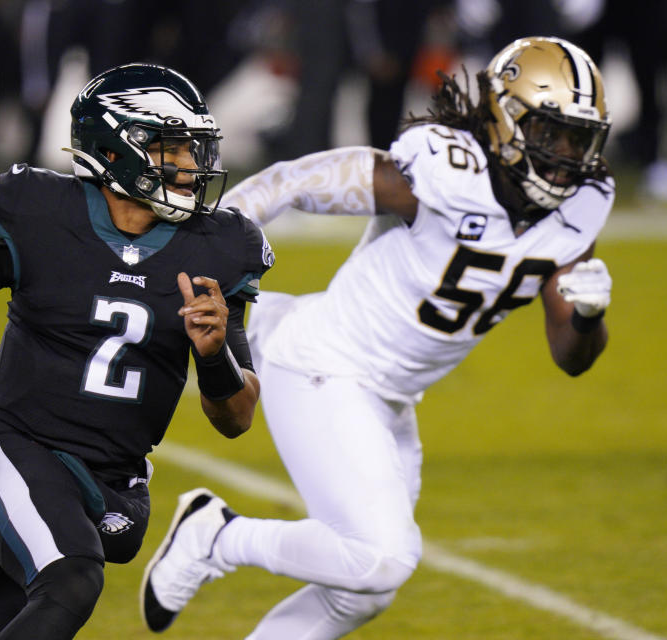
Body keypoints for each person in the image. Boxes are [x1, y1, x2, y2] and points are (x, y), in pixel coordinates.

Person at [140, 35, 614, 639]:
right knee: (380, 555)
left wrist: (589, 314)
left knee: (360, 592)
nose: (567, 156)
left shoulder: (581, 203)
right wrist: (203, 253)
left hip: (388, 397)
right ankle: (216, 534)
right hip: (322, 363)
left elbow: (570, 356)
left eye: (580, 138)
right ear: (506, 119)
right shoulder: (443, 171)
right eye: (553, 133)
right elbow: (290, 181)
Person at [0, 62, 274, 640]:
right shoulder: (41, 213)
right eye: (171, 150)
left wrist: (212, 355)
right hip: (16, 441)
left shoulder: (222, 247)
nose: (191, 167)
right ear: (115, 149)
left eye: (194, 150)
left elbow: (238, 416)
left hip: (112, 480)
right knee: (71, 579)